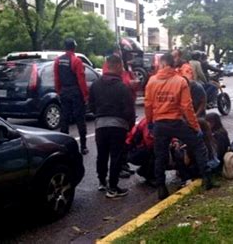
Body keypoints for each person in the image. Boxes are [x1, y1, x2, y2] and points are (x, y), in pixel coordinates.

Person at [144, 53, 215, 200]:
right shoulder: (180, 81)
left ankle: (161, 188)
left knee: (160, 156)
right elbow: (187, 108)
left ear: (162, 65)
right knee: (198, 145)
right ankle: (207, 178)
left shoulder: (151, 81)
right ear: (173, 65)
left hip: (159, 124)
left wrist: (150, 123)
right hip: (176, 122)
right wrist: (196, 127)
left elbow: (148, 105)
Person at [89, 54, 135, 198]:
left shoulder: (95, 85)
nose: (122, 69)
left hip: (100, 125)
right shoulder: (122, 87)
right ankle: (113, 187)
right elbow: (129, 109)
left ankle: (102, 182)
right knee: (116, 156)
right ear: (117, 66)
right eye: (121, 66)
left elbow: (91, 105)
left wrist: (100, 115)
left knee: (102, 154)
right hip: (118, 125)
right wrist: (129, 124)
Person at [54, 38, 89, 154]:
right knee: (80, 119)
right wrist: (85, 95)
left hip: (64, 91)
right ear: (74, 47)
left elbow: (57, 78)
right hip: (75, 92)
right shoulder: (76, 61)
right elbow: (81, 80)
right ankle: (83, 146)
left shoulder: (58, 61)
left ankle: (64, 146)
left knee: (64, 118)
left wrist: (59, 91)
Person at [126, 118, 155, 186]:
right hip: (135, 152)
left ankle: (144, 170)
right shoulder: (150, 122)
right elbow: (149, 142)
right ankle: (149, 176)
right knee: (158, 151)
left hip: (136, 150)